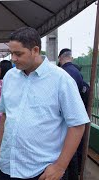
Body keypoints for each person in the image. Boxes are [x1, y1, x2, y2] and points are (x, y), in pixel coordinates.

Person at [0, 27, 89, 180]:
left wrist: (60, 167)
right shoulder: (10, 77)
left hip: (41, 171)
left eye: (18, 53)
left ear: (35, 50)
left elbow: (77, 125)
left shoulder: (61, 79)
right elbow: (5, 115)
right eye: (11, 53)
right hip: (8, 167)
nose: (13, 58)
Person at [58, 48, 86, 180]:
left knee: (65, 154)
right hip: (75, 116)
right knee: (73, 152)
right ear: (71, 58)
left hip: (63, 120)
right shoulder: (77, 73)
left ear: (60, 58)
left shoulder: (62, 74)